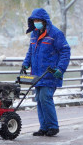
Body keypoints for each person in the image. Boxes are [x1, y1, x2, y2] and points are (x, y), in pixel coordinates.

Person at [21, 8, 71, 137]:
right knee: (39, 99)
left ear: (44, 21)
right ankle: (44, 127)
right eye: (34, 20)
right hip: (37, 74)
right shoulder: (34, 34)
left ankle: (53, 126)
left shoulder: (55, 34)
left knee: (45, 97)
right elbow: (31, 51)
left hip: (50, 73)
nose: (36, 22)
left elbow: (65, 51)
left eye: (38, 20)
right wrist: (26, 63)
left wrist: (60, 69)